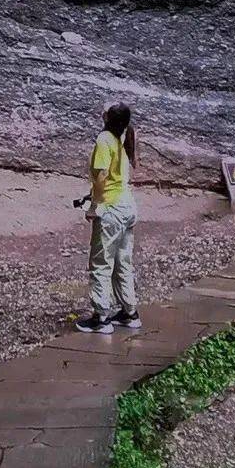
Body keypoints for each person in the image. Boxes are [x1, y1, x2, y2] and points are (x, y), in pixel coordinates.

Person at [75, 103, 141, 333]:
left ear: (106, 117)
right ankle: (129, 312)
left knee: (101, 263)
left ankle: (101, 317)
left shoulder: (104, 139)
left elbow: (101, 176)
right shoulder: (121, 138)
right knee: (123, 261)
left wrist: (95, 206)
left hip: (111, 208)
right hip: (127, 205)